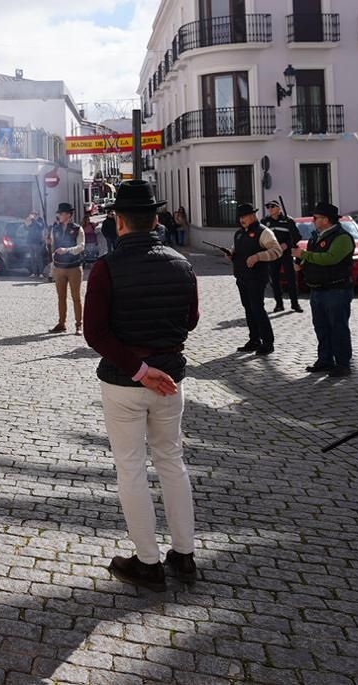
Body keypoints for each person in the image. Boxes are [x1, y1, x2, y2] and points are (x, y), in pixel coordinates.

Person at [81, 179, 200, 591]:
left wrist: (137, 368)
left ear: (119, 221)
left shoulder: (106, 267)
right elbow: (191, 320)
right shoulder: (181, 264)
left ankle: (148, 562)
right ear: (155, 220)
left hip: (125, 382)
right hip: (169, 380)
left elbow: (94, 332)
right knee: (172, 462)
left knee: (131, 468)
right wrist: (151, 364)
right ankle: (184, 554)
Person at [294, 203, 354, 376]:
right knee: (321, 327)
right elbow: (311, 257)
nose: (313, 221)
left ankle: (342, 364)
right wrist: (301, 264)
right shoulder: (315, 237)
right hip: (317, 289)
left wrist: (304, 255)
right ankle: (325, 360)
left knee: (338, 327)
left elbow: (331, 258)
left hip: (336, 289)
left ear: (326, 220)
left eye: (316, 218)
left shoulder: (342, 237)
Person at [230, 203, 281, 355]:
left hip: (257, 277)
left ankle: (268, 343)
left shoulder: (264, 232)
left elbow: (277, 251)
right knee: (248, 309)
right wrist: (230, 255)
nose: (241, 220)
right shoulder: (239, 233)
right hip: (242, 277)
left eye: (244, 217)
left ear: (253, 216)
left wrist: (258, 257)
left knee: (257, 308)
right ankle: (254, 340)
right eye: (240, 217)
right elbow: (236, 251)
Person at [47, 202, 86, 334]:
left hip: (74, 267)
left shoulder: (77, 229)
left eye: (61, 213)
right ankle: (61, 323)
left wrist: (67, 250)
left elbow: (81, 246)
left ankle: (79, 325)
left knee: (76, 297)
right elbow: (53, 247)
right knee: (61, 297)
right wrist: (48, 245)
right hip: (59, 267)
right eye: (59, 213)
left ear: (69, 215)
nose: (59, 215)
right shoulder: (55, 229)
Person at [263, 200, 302, 312]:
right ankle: (279, 304)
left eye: (273, 206)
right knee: (274, 279)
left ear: (279, 208)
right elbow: (262, 238)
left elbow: (297, 237)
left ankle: (295, 304)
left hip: (286, 254)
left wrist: (287, 244)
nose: (270, 209)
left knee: (291, 278)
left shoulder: (288, 220)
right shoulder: (265, 222)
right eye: (268, 207)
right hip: (273, 253)